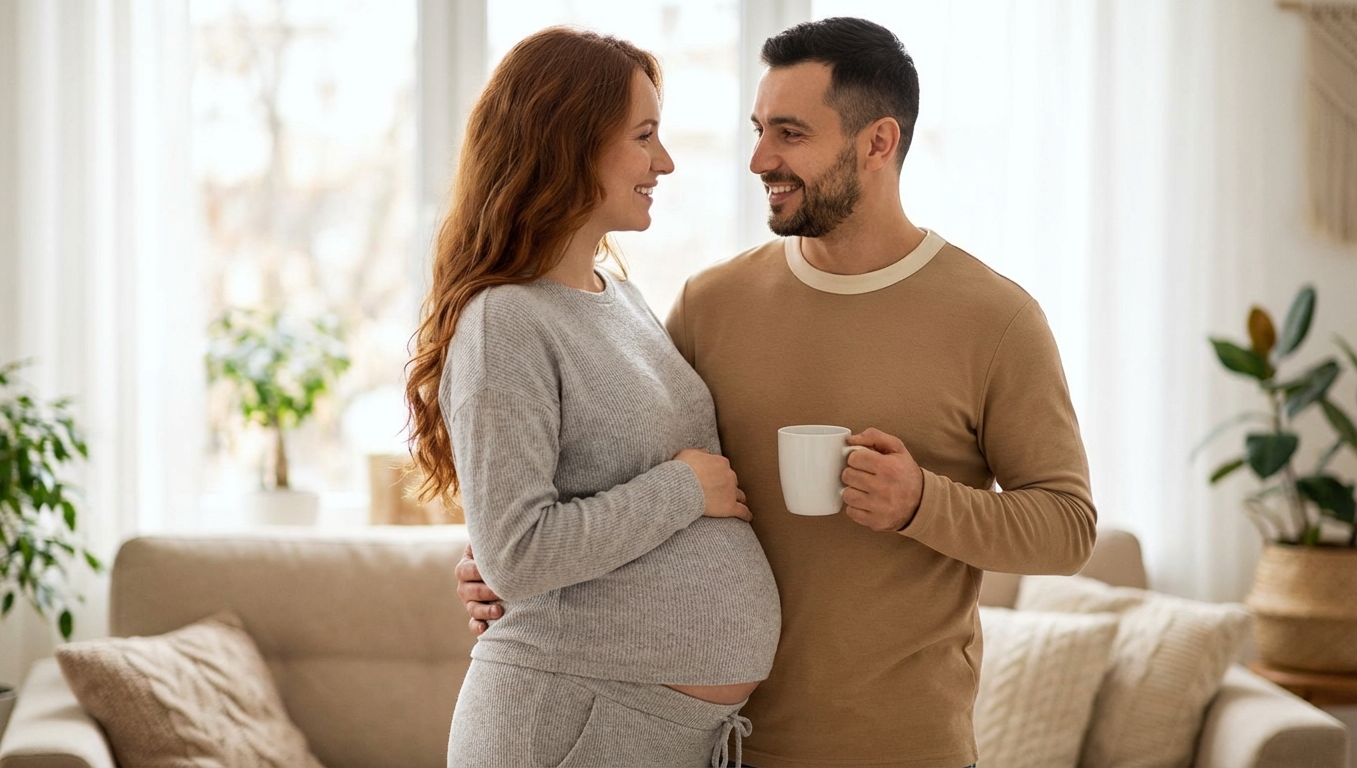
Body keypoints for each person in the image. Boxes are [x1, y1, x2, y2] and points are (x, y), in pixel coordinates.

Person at [459, 17, 1096, 768]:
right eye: (759, 129)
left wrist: (922, 502)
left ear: (878, 143)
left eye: (790, 133)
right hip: (718, 745)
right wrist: (492, 565)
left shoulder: (994, 319)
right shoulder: (712, 302)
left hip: (901, 748)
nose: (761, 158)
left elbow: (1067, 529)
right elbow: (606, 464)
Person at [406, 27, 781, 768]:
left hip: (649, 727)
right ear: (568, 143)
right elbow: (520, 554)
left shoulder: (623, 299)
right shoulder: (504, 320)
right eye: (644, 136)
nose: (664, 162)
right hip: (566, 721)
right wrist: (683, 488)